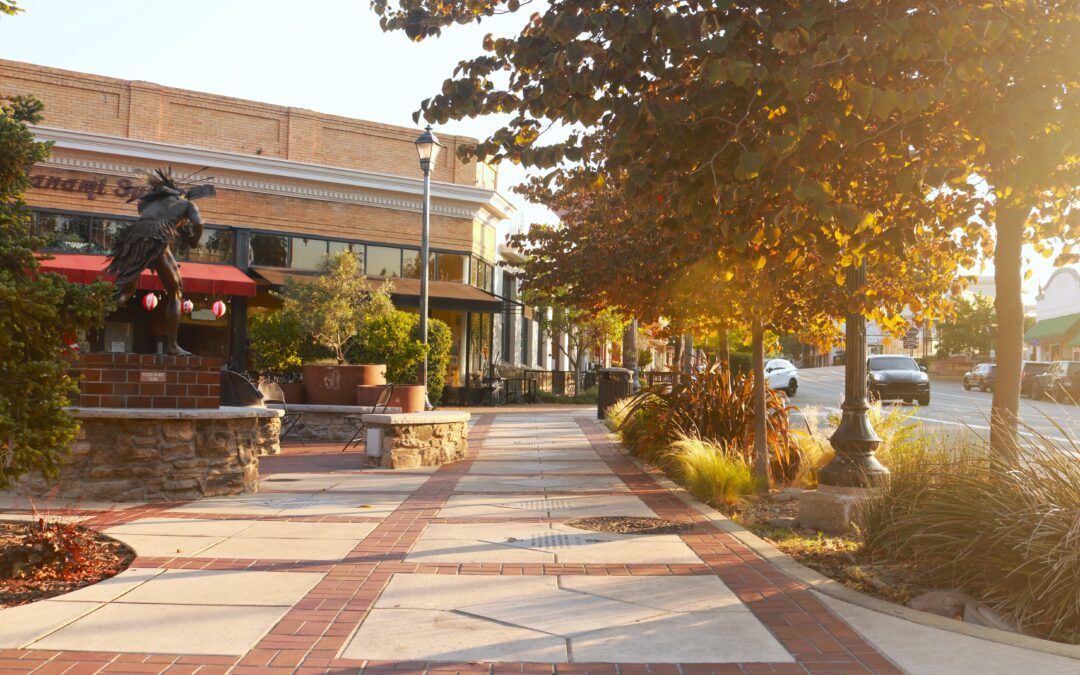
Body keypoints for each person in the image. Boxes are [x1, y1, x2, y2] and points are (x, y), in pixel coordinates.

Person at [106, 168, 215, 356]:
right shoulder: (188, 204)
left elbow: (168, 223)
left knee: (126, 291)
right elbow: (199, 224)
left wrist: (181, 231)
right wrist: (195, 240)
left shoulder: (152, 205)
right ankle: (172, 346)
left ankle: (92, 310)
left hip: (135, 235)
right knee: (176, 290)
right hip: (157, 235)